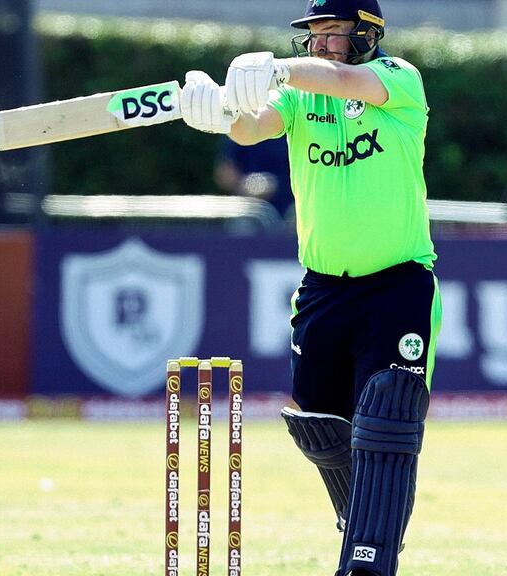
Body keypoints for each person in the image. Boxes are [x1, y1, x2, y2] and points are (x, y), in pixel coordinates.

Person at [179, 1, 441, 575]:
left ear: (366, 35)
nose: (319, 44)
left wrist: (276, 68)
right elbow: (253, 126)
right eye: (313, 35)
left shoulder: (399, 80)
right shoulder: (297, 99)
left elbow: (345, 80)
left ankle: (368, 560)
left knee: (388, 414)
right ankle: (370, 520)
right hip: (324, 287)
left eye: (332, 33)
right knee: (319, 424)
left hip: (397, 282)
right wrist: (215, 111)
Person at [214, 136, 295, 219]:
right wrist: (249, 186)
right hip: (250, 209)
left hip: (291, 205)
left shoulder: (293, 128)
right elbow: (224, 174)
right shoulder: (240, 126)